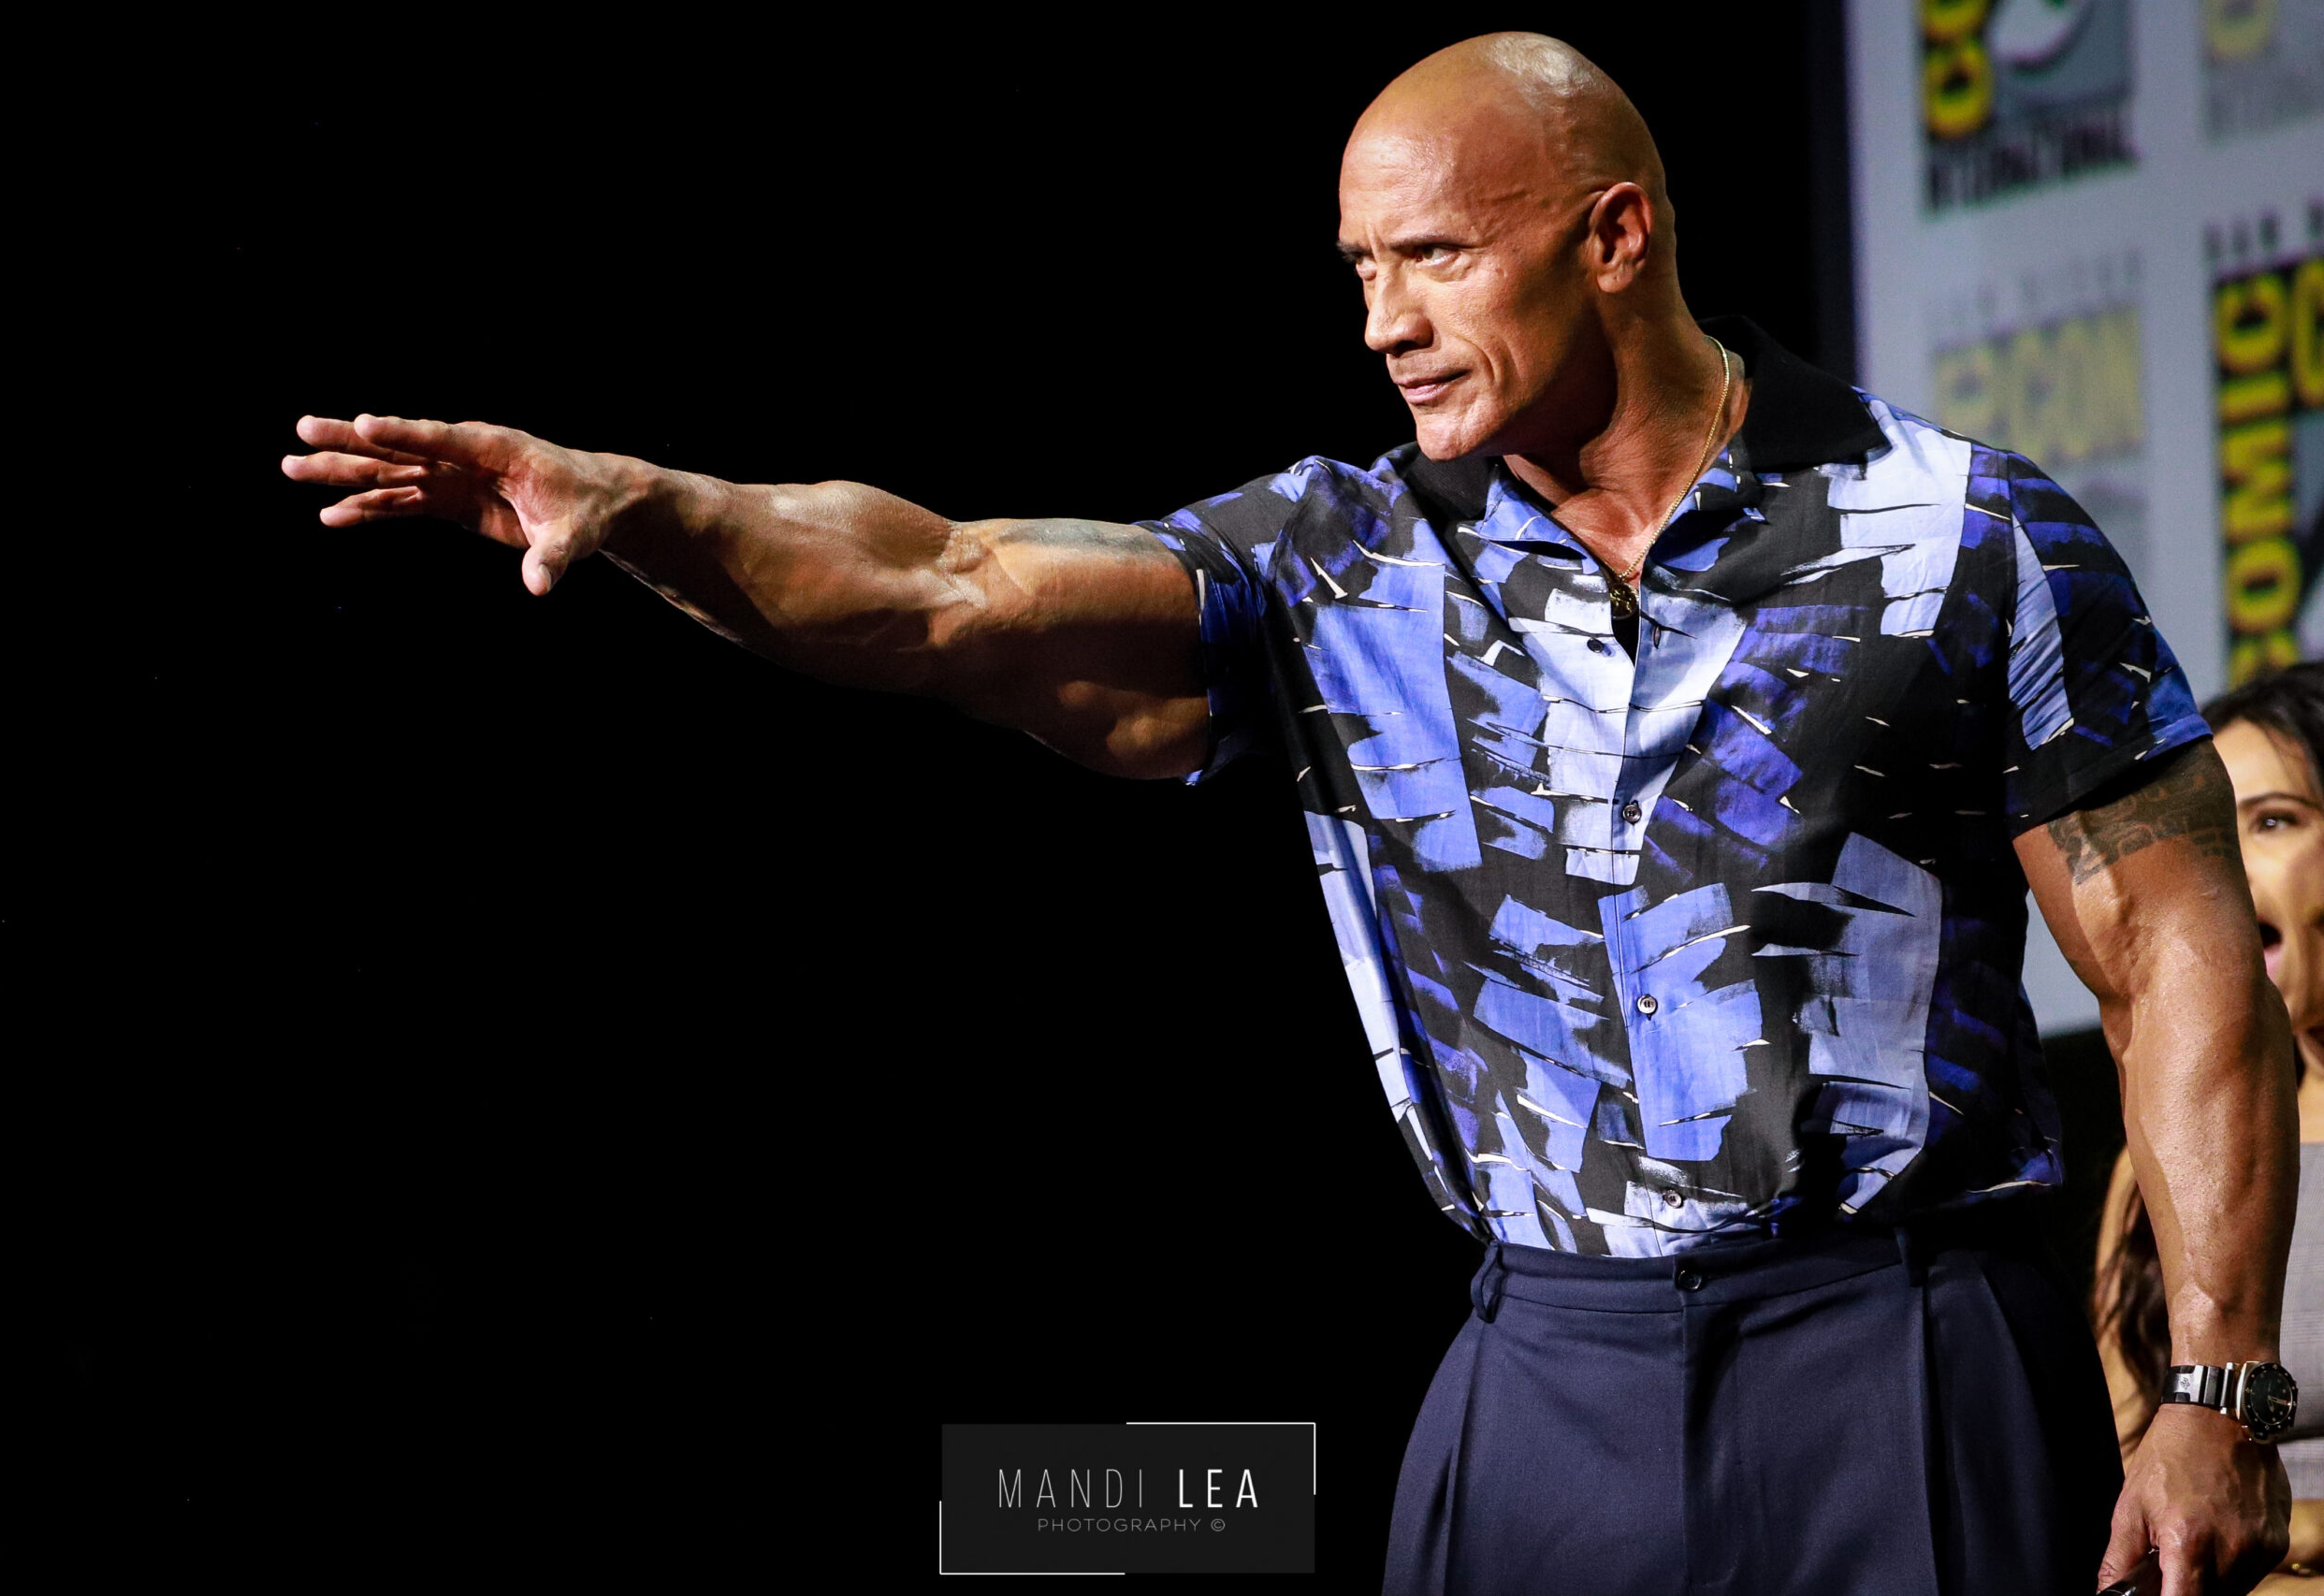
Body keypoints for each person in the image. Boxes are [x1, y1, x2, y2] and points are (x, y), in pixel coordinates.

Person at [281, 32, 2300, 1596]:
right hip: (1547, 1369)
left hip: (1901, 1344)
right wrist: (645, 506)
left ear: (1614, 238)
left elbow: (2179, 958)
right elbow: (941, 588)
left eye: (1434, 257)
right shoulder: (1339, 562)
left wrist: (2213, 1386)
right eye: (1359, 268)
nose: (1380, 320)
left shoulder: (1956, 532)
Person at [2099, 663, 2324, 1592]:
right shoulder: (2152, 1163)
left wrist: (2295, 1525)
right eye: (2207, 832)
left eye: (2271, 822)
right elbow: (2129, 1474)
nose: (2220, 866)